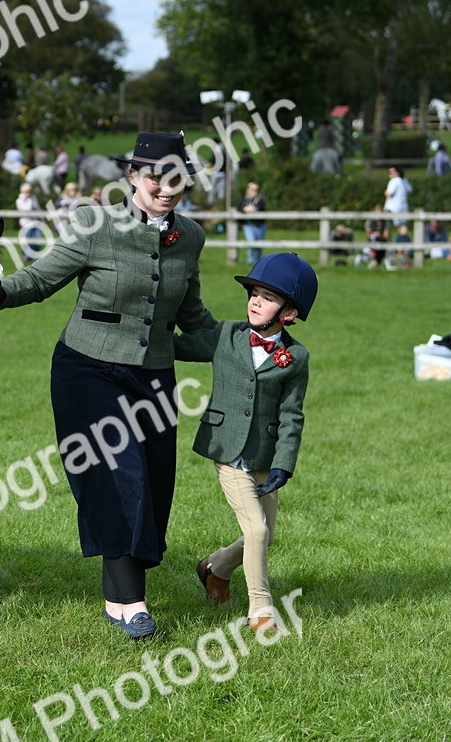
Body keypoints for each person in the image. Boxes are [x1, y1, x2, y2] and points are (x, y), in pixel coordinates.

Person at [0, 132, 217, 640]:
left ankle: (118, 600)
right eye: (156, 177)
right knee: (118, 477)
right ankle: (133, 604)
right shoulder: (95, 224)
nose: (167, 188)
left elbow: (192, 315)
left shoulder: (192, 237)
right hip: (87, 370)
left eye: (177, 179)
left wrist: (246, 343)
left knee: (153, 485)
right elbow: (40, 279)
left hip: (154, 377)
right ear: (132, 176)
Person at [177, 253, 317, 633]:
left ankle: (214, 569)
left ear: (289, 313)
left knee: (266, 536)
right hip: (227, 450)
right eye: (254, 293)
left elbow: (292, 415)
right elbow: (178, 347)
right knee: (256, 531)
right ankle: (261, 610)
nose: (255, 301)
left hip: (264, 457)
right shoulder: (226, 335)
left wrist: (284, 464)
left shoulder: (296, 357)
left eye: (268, 298)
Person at [15, 182, 43, 263]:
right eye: (27, 191)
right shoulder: (19, 200)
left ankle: (36, 257)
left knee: (37, 241)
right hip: (25, 224)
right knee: (26, 241)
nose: (29, 193)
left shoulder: (34, 198)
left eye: (29, 191)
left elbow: (38, 209)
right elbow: (28, 209)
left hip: (35, 223)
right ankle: (25, 257)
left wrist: (42, 220)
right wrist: (29, 199)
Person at [240, 182, 267, 265]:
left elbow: (261, 208)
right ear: (248, 190)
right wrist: (245, 209)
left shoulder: (260, 200)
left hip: (260, 226)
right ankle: (250, 261)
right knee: (251, 242)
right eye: (252, 189)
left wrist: (253, 209)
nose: (254, 191)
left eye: (256, 190)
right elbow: (239, 207)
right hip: (248, 225)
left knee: (259, 245)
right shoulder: (244, 199)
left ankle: (258, 261)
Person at [359, 204, 390, 269]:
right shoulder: (370, 220)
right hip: (372, 239)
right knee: (376, 242)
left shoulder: (385, 221)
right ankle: (377, 262)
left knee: (382, 243)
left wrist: (380, 235)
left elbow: (386, 235)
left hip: (382, 240)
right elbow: (368, 234)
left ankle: (376, 262)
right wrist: (374, 234)